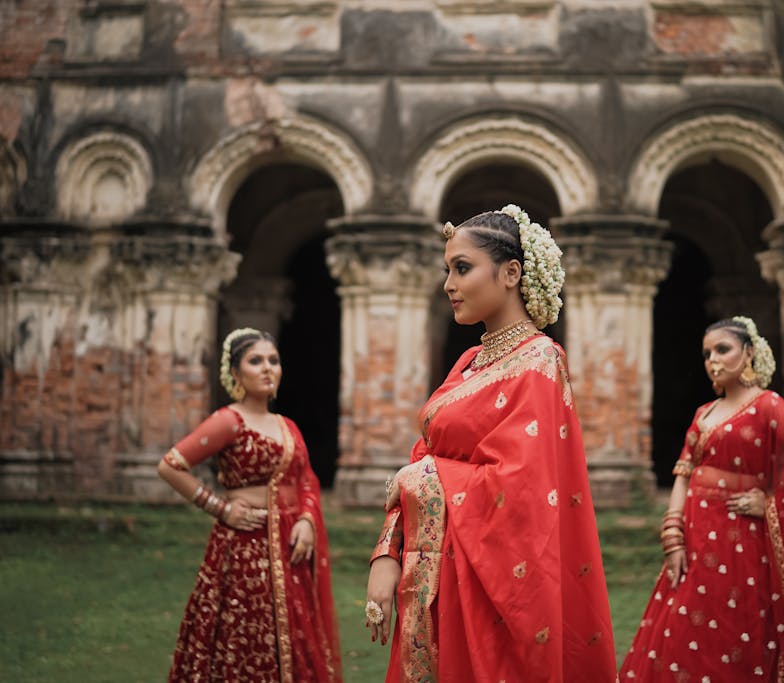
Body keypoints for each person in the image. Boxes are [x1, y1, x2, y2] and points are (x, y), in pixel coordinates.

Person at [364, 205, 617, 682]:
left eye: (462, 268)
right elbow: (426, 456)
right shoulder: (469, 362)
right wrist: (386, 554)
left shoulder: (541, 361)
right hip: (433, 575)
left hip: (487, 588)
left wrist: (416, 477)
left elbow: (519, 490)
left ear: (510, 273)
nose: (448, 285)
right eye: (447, 270)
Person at [619, 317, 784, 682]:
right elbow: (684, 474)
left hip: (743, 545)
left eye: (723, 349)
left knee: (738, 631)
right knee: (682, 629)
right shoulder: (703, 414)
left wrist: (771, 502)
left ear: (749, 353)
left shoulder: (769, 406)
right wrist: (673, 533)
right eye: (707, 353)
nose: (712, 359)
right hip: (695, 539)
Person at [157, 328, 343, 682]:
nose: (267, 368)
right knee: (244, 638)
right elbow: (171, 465)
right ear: (236, 373)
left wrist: (306, 519)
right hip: (244, 549)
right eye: (255, 361)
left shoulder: (287, 426)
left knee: (293, 640)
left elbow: (306, 480)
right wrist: (220, 508)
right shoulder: (229, 420)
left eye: (273, 360)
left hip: (290, 549)